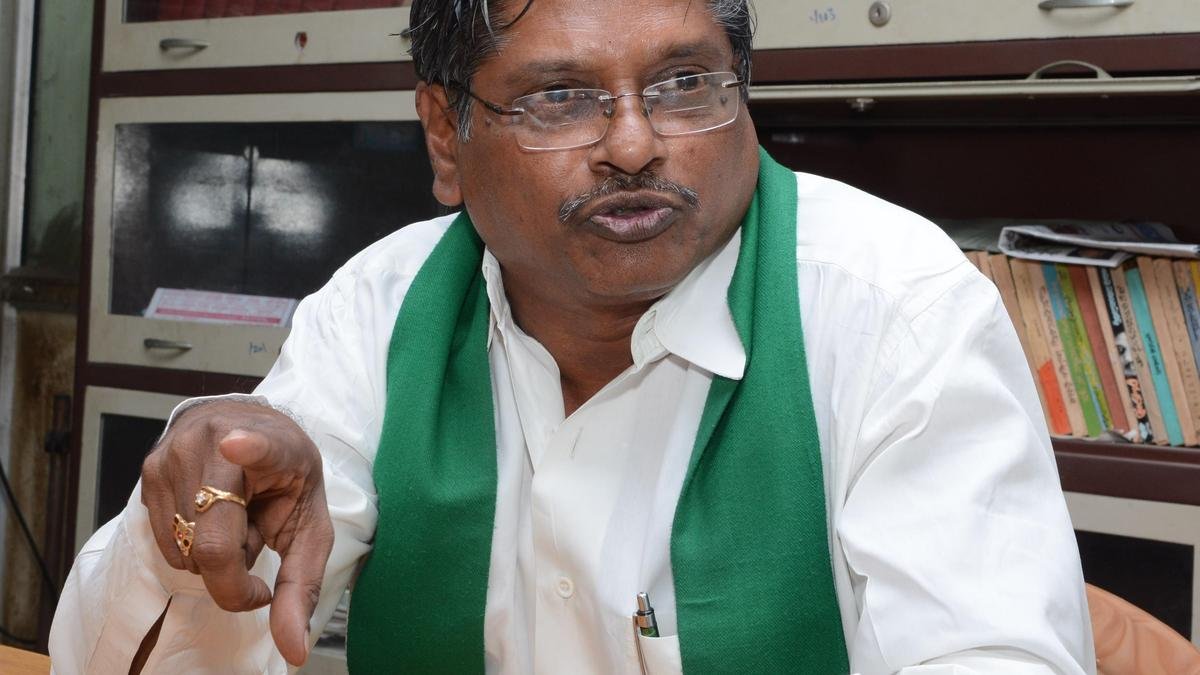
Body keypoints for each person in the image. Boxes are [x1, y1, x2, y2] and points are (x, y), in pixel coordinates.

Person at [50, 0, 1096, 673]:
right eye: (560, 98)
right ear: (444, 134)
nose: (635, 144)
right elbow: (166, 648)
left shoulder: (894, 306)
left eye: (685, 84)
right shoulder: (383, 306)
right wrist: (193, 514)